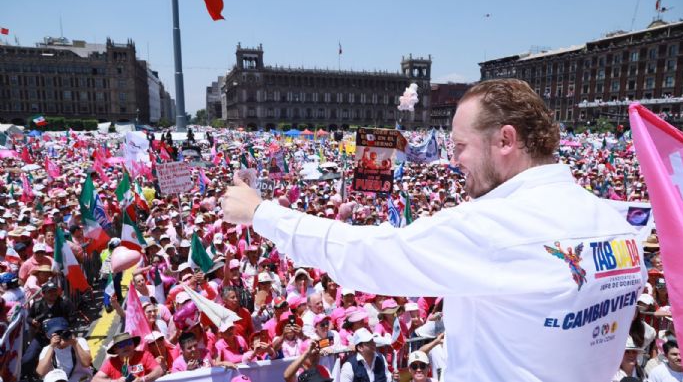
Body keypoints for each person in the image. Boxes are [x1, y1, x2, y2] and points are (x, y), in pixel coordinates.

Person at [222, 79, 646, 381]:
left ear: (505, 140)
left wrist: (261, 213)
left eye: (461, 146)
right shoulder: (618, 226)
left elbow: (365, 253)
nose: (454, 160)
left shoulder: (496, 227)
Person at [36, 317, 93, 382]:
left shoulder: (79, 341)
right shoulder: (47, 349)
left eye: (61, 333)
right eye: (55, 335)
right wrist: (52, 347)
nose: (59, 338)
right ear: (48, 336)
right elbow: (40, 372)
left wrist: (75, 343)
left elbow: (86, 363)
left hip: (81, 377)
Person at [92, 333, 164, 382]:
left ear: (133, 345)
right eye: (121, 344)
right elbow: (95, 380)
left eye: (129, 342)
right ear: (115, 350)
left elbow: (159, 371)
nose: (126, 346)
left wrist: (142, 379)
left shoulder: (144, 355)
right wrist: (115, 381)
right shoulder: (111, 362)